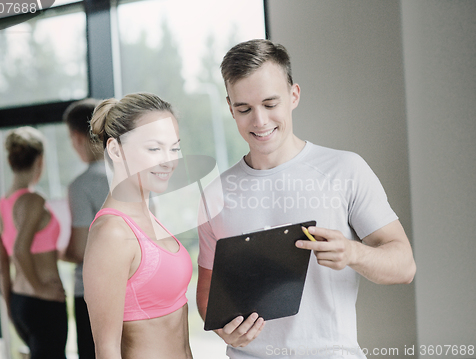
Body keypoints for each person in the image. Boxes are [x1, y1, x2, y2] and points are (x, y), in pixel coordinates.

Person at [196, 39, 416, 358]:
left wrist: (353, 253)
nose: (259, 121)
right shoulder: (214, 194)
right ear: (230, 108)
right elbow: (207, 293)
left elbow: (404, 266)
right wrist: (222, 329)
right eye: (244, 109)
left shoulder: (345, 169)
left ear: (294, 95)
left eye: (271, 104)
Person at [83, 92, 193, 359]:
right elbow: (106, 350)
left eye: (174, 148)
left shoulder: (150, 217)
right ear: (115, 149)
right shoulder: (112, 233)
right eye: (154, 148)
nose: (169, 160)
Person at [0, 126, 67, 359]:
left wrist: (12, 309)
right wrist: (41, 288)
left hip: (20, 302)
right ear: (40, 160)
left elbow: (3, 269)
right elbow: (19, 249)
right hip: (43, 302)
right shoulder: (33, 200)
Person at [62, 98, 109, 359]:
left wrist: (57, 252)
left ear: (78, 137)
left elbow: (80, 250)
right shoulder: (134, 175)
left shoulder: (81, 185)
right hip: (135, 289)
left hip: (92, 295)